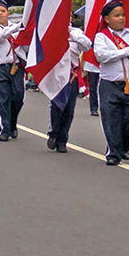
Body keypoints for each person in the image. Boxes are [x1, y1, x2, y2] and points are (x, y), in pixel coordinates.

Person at [93, 0, 129, 165]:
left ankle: (123, 145)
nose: (121, 18)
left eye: (122, 15)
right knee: (111, 120)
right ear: (107, 19)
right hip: (110, 85)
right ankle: (114, 153)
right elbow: (101, 56)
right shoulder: (102, 37)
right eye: (116, 15)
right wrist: (123, 52)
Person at [48, 12, 90, 153]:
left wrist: (72, 35)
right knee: (56, 107)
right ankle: (53, 133)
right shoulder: (51, 29)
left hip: (71, 76)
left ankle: (62, 140)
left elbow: (88, 46)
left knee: (69, 109)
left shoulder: (76, 32)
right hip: (56, 75)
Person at [0, 0, 24, 140]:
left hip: (16, 66)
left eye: (3, 11)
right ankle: (5, 129)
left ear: (8, 13)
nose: (0, 14)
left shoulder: (16, 27)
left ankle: (12, 123)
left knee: (18, 97)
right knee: (2, 99)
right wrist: (18, 27)